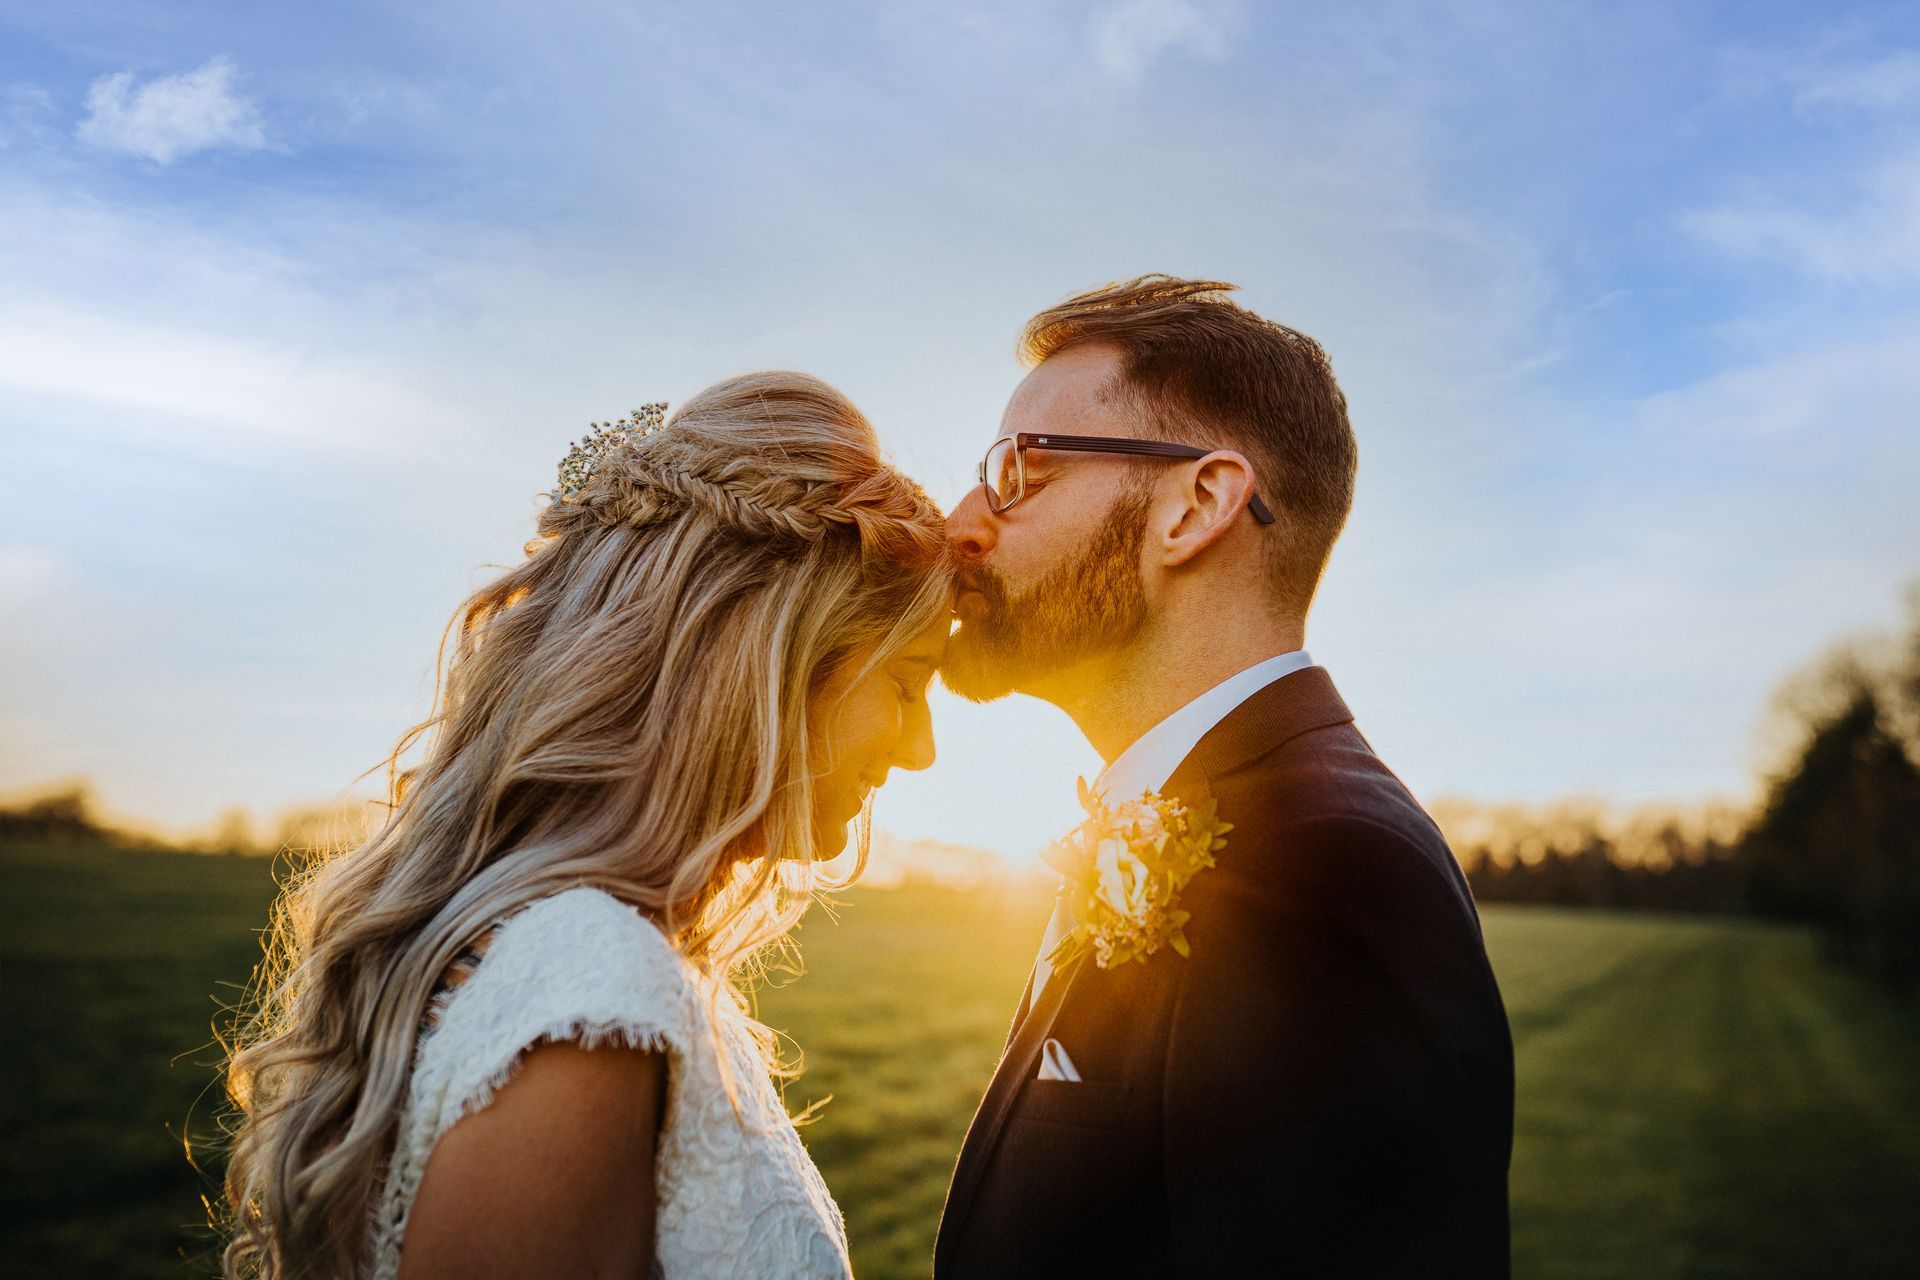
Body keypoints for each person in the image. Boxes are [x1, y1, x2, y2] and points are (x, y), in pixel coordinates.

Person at [221, 372, 951, 1280]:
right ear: (767, 665)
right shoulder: (595, 983)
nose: (921, 748)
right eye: (909, 680)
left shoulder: (586, 953)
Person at [936, 277, 1515, 1278]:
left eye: (1018, 474)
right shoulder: (1225, 812)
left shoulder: (1321, 866)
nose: (961, 523)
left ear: (1197, 504)